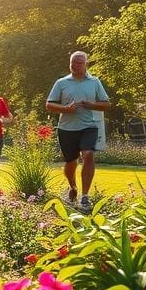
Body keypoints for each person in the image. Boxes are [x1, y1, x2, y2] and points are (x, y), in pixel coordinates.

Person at [45, 51, 111, 213]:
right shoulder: (62, 83)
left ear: (86, 64)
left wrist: (91, 105)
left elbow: (106, 104)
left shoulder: (94, 82)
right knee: (70, 162)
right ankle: (73, 187)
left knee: (88, 154)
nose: (75, 65)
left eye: (79, 63)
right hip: (67, 129)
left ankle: (85, 196)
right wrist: (65, 109)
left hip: (89, 126)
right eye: (73, 62)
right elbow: (49, 105)